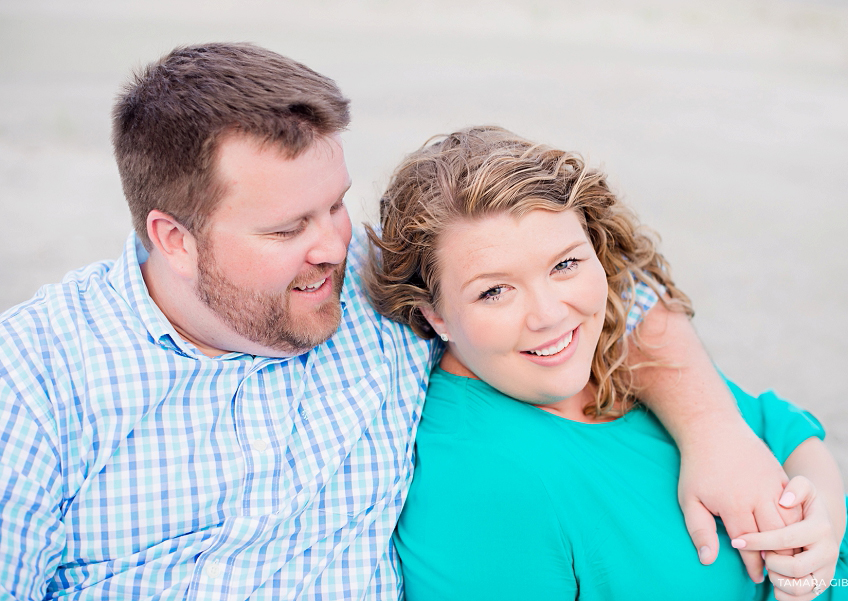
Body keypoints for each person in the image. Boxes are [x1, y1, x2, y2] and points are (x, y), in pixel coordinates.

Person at [0, 43, 806, 599]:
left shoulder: (370, 289)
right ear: (173, 239)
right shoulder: (36, 376)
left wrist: (717, 433)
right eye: (286, 229)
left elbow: (612, 300)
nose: (331, 246)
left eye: (335, 204)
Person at [365, 125, 848, 600]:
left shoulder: (620, 344)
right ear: (435, 316)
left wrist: (822, 526)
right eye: (495, 292)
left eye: (566, 264)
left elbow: (783, 430)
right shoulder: (482, 483)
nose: (551, 315)